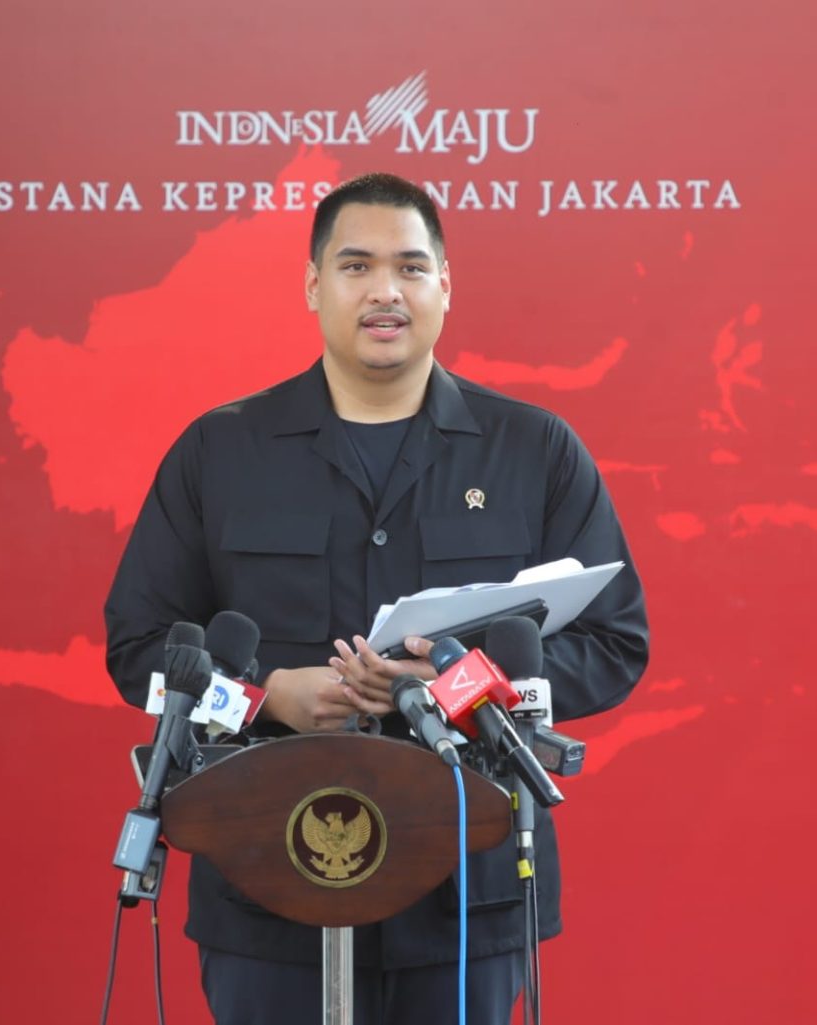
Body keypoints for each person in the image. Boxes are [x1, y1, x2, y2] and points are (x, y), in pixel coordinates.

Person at [104, 172, 649, 1024]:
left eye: (410, 267)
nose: (385, 290)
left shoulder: (533, 450)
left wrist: (458, 687)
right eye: (356, 266)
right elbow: (139, 648)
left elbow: (614, 644)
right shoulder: (222, 451)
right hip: (269, 878)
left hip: (464, 890)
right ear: (314, 285)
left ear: (445, 286)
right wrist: (262, 696)